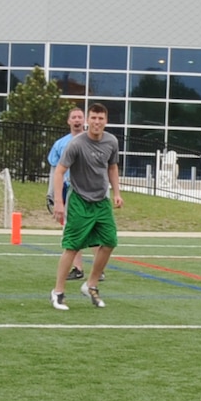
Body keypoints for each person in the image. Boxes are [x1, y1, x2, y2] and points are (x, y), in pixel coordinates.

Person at [48, 102, 123, 311]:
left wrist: (116, 193)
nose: (97, 122)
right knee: (72, 246)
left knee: (109, 241)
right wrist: (59, 203)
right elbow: (59, 171)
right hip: (80, 200)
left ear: (106, 121)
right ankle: (58, 292)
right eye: (93, 118)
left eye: (101, 118)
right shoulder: (76, 144)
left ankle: (90, 284)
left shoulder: (111, 141)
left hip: (101, 201)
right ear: (88, 121)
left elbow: (113, 167)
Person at [47, 107, 87, 280]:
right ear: (69, 121)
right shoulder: (61, 144)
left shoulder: (93, 141)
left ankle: (98, 270)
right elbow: (55, 170)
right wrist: (54, 195)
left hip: (90, 191)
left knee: (96, 229)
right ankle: (78, 268)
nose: (77, 120)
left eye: (80, 117)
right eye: (74, 117)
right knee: (72, 228)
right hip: (69, 191)